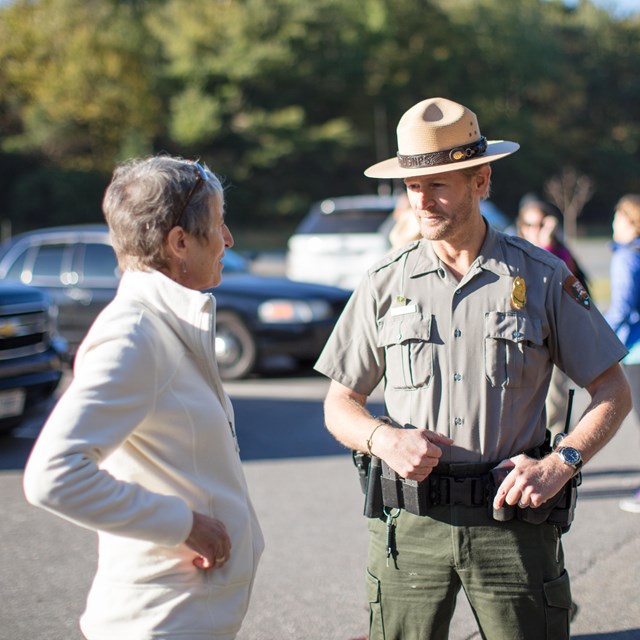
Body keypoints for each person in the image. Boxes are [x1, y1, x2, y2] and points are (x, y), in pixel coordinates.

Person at [314, 97, 631, 640]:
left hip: (513, 526)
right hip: (411, 525)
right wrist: (382, 440)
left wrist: (561, 464)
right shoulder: (384, 282)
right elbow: (339, 404)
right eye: (413, 186)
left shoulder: (543, 276)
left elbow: (612, 389)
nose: (423, 201)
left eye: (438, 184)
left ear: (481, 181)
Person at [23, 155, 264, 640]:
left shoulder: (162, 322)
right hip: (158, 621)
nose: (229, 240)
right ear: (179, 243)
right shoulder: (134, 333)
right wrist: (184, 525)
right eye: (219, 225)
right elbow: (52, 476)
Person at [516, 198, 590, 438]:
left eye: (540, 224)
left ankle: (555, 454)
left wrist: (546, 242)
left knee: (555, 401)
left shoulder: (559, 253)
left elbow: (548, 279)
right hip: (522, 339)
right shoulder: (510, 253)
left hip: (555, 336)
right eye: (528, 225)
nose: (534, 230)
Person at [604, 194, 640, 513]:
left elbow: (621, 308)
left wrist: (598, 338)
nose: (613, 224)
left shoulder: (626, 257)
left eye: (618, 219)